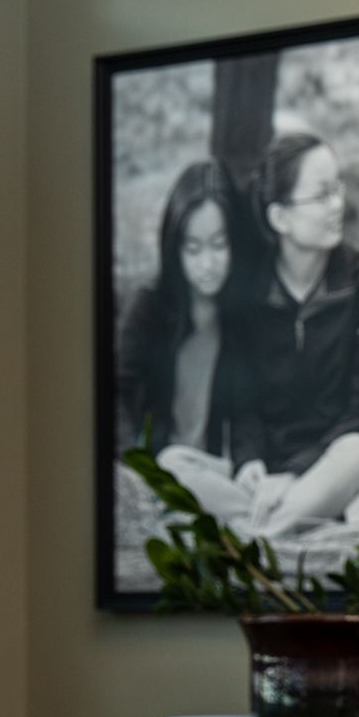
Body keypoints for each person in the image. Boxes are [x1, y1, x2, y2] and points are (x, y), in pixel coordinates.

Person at [232, 131, 359, 540]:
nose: (338, 205)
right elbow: (243, 402)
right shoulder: (250, 291)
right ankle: (309, 525)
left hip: (334, 461)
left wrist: (296, 475)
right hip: (269, 476)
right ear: (280, 218)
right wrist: (248, 460)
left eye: (337, 188)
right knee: (180, 463)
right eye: (322, 196)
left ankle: (258, 542)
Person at [114, 160, 250, 520]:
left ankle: (250, 511)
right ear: (174, 250)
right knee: (173, 464)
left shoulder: (240, 315)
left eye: (219, 246)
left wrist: (253, 462)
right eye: (194, 250)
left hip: (219, 469)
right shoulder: (149, 309)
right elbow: (116, 393)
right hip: (164, 467)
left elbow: (252, 410)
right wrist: (136, 465)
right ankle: (257, 516)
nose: (208, 263)